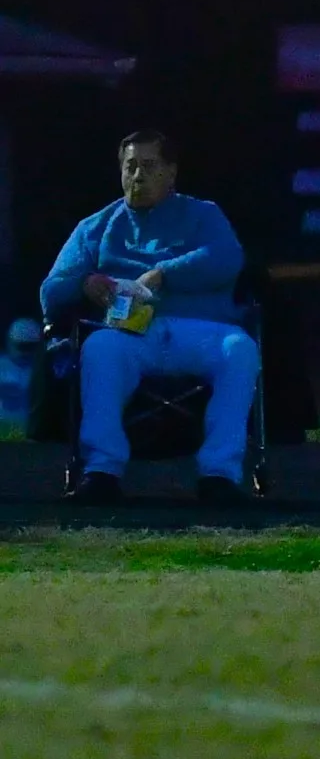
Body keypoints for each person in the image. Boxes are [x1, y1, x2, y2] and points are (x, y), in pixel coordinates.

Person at [40, 131, 257, 505]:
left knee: (239, 349)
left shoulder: (204, 215)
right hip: (128, 332)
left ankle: (219, 474)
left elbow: (226, 259)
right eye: (130, 167)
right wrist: (85, 282)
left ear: (171, 173)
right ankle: (102, 471)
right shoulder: (95, 227)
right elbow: (52, 289)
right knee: (100, 348)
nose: (137, 175)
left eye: (148, 166)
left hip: (198, 329)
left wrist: (164, 273)